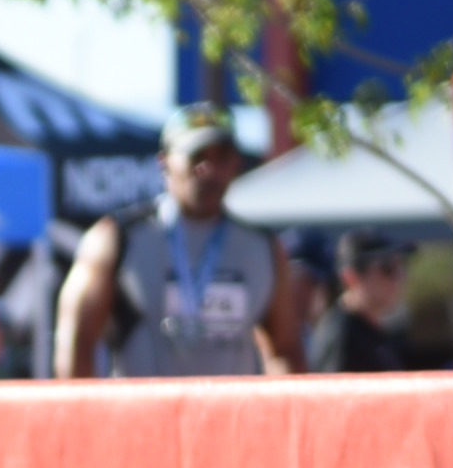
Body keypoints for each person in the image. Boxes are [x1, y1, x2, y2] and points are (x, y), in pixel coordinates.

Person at [55, 115, 299, 378]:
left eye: (222, 157)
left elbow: (286, 349)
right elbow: (75, 341)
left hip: (232, 405)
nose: (209, 169)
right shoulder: (117, 238)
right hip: (147, 404)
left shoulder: (262, 247)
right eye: (197, 156)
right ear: (165, 162)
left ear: (236, 164)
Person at [306, 231, 415, 375]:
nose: (400, 276)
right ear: (351, 277)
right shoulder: (341, 335)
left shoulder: (373, 332)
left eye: (401, 266)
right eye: (388, 268)